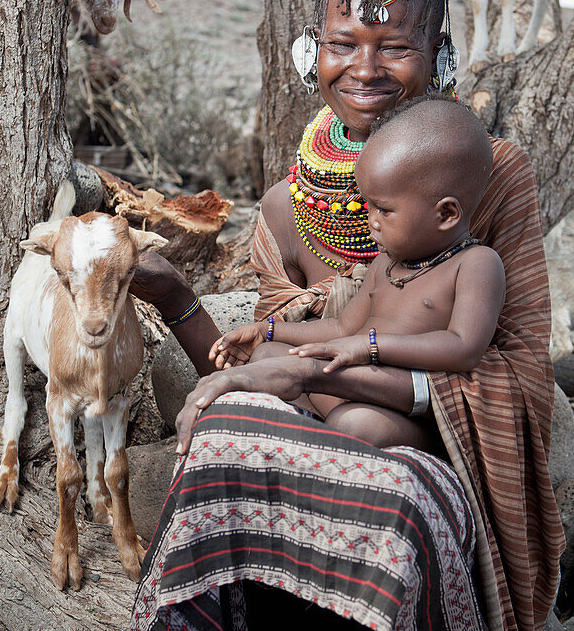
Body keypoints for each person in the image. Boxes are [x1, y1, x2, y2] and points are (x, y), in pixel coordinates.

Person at [131, 0, 563, 631]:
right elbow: (247, 359)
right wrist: (177, 301)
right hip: (319, 428)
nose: (363, 68)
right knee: (219, 439)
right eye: (342, 43)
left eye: (394, 45)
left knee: (351, 422)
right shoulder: (288, 207)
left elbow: (518, 374)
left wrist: (321, 365)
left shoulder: (490, 175)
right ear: (310, 52)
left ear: (437, 54)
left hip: (425, 439)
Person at [185, 96, 505, 455]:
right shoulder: (386, 263)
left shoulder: (476, 263)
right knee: (268, 357)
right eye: (369, 205)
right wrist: (268, 330)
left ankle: (324, 446)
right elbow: (340, 329)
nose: (371, 221)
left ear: (446, 214)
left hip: (405, 402)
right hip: (354, 383)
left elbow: (464, 348)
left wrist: (369, 347)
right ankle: (305, 448)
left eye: (384, 210)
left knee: (354, 425)